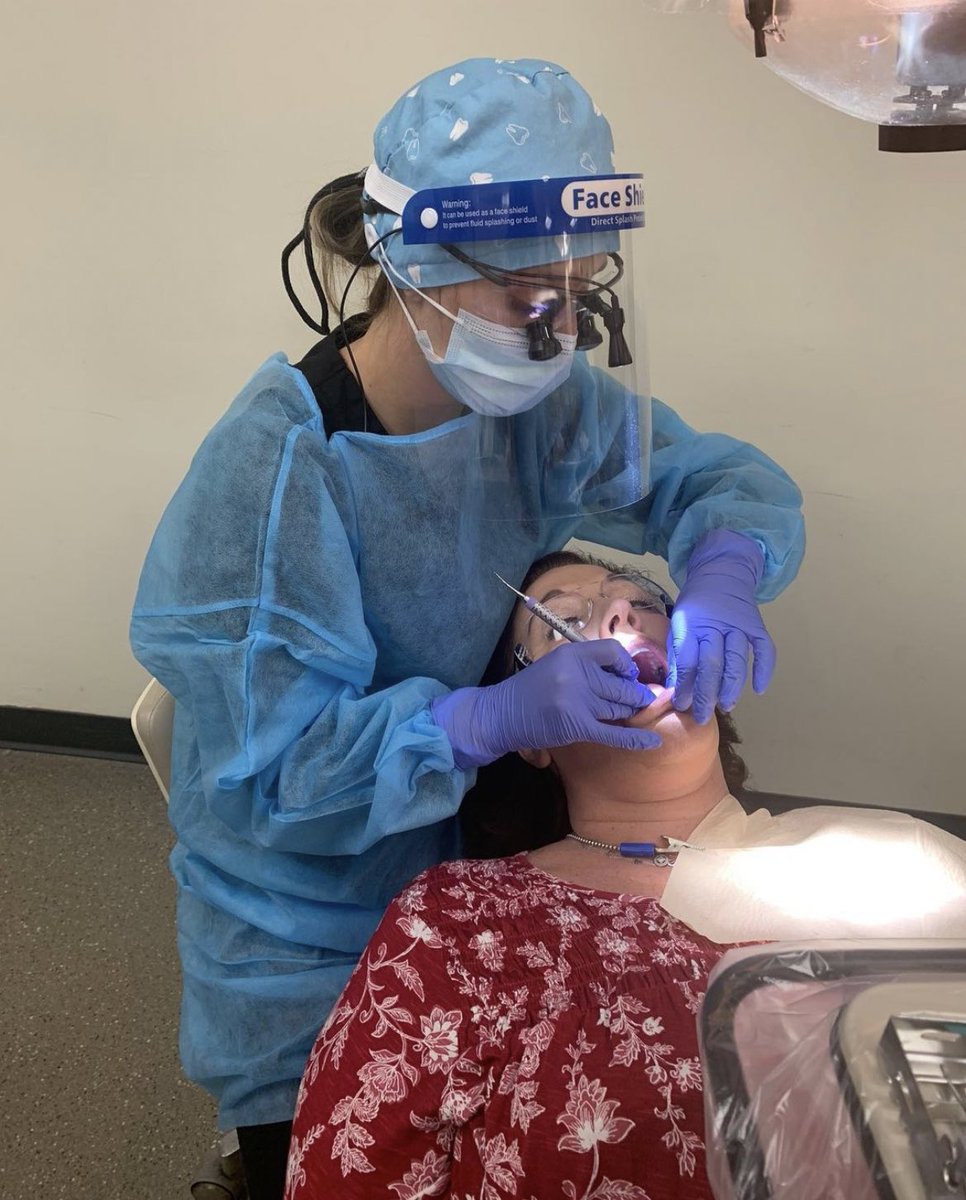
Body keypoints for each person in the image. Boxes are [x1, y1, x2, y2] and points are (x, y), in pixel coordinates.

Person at [130, 57, 805, 1198]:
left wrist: (728, 565)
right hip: (299, 932)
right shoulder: (277, 475)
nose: (562, 335)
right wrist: (485, 719)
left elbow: (706, 478)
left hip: (452, 853)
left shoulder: (536, 402)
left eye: (583, 297)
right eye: (533, 301)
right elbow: (272, 778)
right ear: (420, 269)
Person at [285, 550, 966, 1200]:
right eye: (565, 620)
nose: (623, 616)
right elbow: (345, 1176)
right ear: (532, 733)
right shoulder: (457, 921)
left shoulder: (896, 859)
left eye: (643, 601)